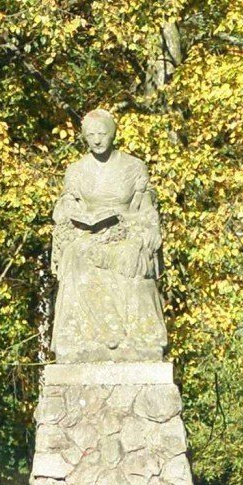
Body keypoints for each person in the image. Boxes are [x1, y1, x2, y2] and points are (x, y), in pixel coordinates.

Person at [50, 107, 169, 362]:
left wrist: (137, 227)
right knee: (76, 255)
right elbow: (67, 204)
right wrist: (70, 212)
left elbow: (146, 206)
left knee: (130, 256)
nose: (97, 139)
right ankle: (89, 339)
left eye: (102, 133)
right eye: (91, 134)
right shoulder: (77, 170)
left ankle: (139, 339)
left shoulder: (134, 166)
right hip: (88, 233)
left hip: (126, 230)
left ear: (112, 134)